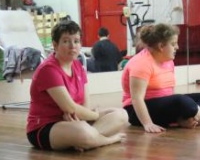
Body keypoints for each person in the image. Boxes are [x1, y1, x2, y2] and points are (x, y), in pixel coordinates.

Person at [27, 20, 127, 151]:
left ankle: (87, 140)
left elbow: (85, 104)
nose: (72, 46)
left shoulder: (78, 65)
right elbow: (70, 108)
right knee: (83, 131)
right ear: (55, 45)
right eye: (66, 41)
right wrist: (95, 116)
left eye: (76, 41)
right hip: (45, 126)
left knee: (121, 114)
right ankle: (104, 140)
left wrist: (82, 119)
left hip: (74, 121)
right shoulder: (48, 70)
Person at [123, 23, 200, 132]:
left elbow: (169, 94)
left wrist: (178, 110)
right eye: (173, 44)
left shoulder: (168, 61)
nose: (177, 47)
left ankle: (185, 119)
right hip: (136, 111)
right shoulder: (141, 64)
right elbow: (137, 98)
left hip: (161, 107)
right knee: (182, 101)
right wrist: (147, 123)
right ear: (161, 46)